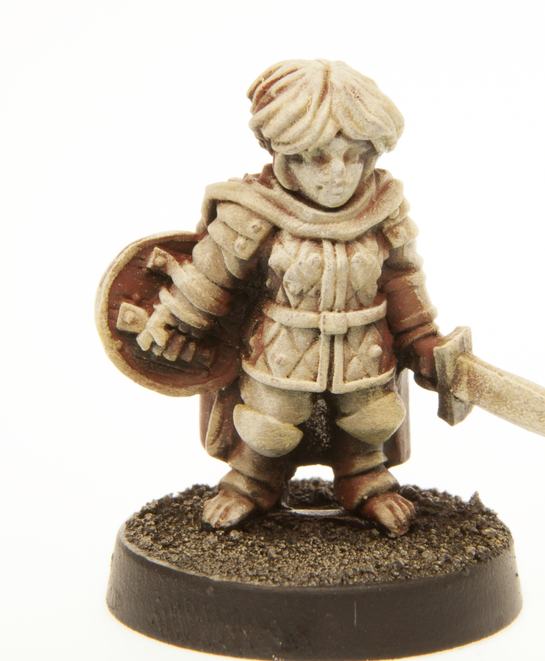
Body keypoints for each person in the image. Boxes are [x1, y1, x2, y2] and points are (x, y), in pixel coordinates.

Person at [137, 59, 442, 536]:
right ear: (285, 153)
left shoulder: (384, 209)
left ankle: (365, 481)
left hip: (363, 349)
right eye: (319, 157)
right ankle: (251, 483)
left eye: (355, 155)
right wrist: (176, 320)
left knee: (371, 419)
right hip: (281, 349)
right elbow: (213, 276)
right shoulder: (254, 211)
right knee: (268, 425)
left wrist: (422, 338)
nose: (339, 173)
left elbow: (403, 278)